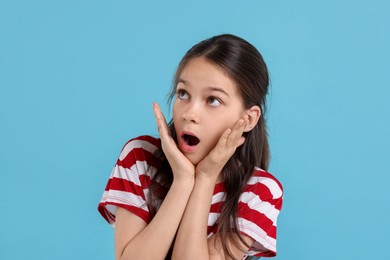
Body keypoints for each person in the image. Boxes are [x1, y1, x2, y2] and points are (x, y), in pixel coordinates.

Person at [98, 34, 283, 260]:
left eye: (213, 100)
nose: (189, 114)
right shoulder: (140, 158)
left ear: (249, 118)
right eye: (183, 93)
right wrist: (183, 181)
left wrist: (204, 179)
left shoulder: (259, 192)